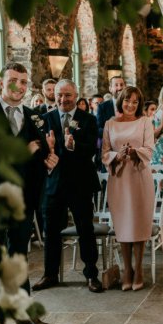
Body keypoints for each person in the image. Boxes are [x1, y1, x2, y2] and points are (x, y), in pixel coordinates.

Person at [0, 62, 58, 324]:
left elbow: (40, 154)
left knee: (20, 258)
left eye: (23, 81)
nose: (19, 86)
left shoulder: (34, 116)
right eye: (13, 80)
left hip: (24, 199)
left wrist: (49, 160)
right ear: (2, 82)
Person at [32, 79, 104, 294]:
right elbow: (39, 151)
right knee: (51, 230)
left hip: (80, 182)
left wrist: (74, 146)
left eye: (67, 95)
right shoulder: (45, 120)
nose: (63, 99)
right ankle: (50, 274)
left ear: (76, 95)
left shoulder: (88, 120)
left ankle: (91, 274)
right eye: (59, 95)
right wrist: (48, 151)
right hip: (54, 183)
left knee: (85, 229)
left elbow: (92, 148)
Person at [102, 87, 154, 291]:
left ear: (139, 104)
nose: (130, 105)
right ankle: (126, 270)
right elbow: (105, 152)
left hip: (139, 177)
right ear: (120, 101)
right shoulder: (110, 124)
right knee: (123, 224)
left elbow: (149, 149)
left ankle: (139, 268)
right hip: (119, 178)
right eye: (127, 101)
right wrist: (118, 155)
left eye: (134, 102)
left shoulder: (145, 122)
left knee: (139, 222)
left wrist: (134, 152)